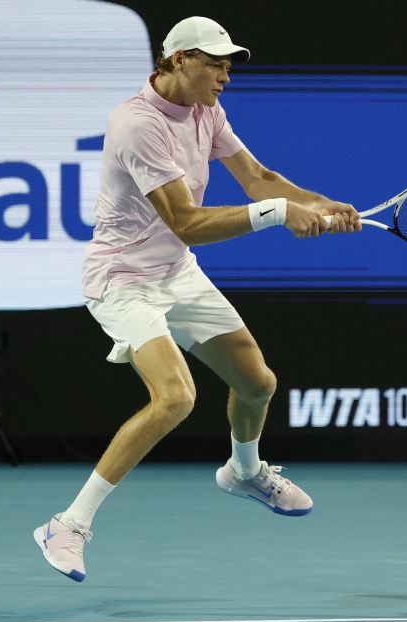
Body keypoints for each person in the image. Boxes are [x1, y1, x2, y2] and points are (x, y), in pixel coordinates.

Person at [33, 16, 360, 582]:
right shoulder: (136, 124)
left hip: (176, 273)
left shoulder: (208, 110)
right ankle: (67, 524)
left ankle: (244, 472)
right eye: (214, 64)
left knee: (257, 383)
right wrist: (281, 214)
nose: (224, 76)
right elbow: (186, 222)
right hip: (123, 279)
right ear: (179, 59)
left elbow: (258, 177)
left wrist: (319, 203)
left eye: (228, 65)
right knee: (175, 398)